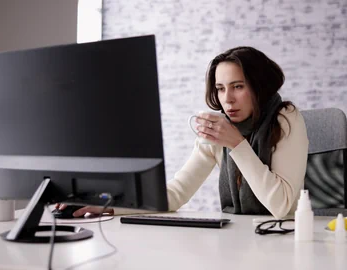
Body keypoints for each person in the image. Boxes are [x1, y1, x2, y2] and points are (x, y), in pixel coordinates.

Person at [57, 46, 309, 219]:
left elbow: (281, 206)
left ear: (259, 86)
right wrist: (109, 205)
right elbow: (176, 194)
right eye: (220, 89)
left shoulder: (286, 119)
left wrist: (237, 145)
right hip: (240, 241)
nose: (227, 99)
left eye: (238, 86)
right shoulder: (219, 130)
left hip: (284, 241)